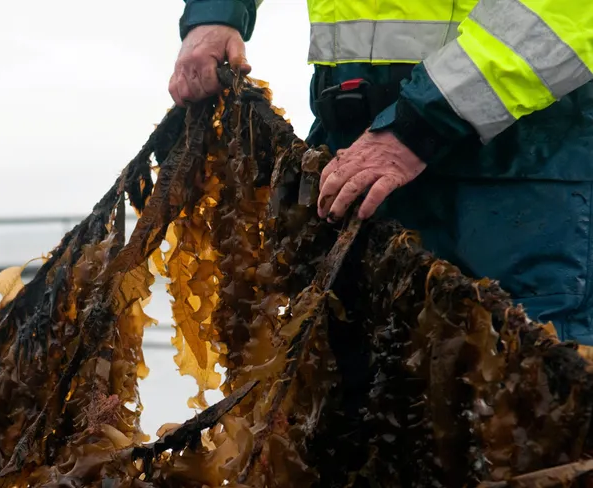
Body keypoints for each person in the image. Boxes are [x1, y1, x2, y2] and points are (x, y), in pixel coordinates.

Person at [169, 0, 593, 345]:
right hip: (352, 150)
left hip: (522, 170)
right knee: (341, 407)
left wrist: (425, 120)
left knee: (523, 400)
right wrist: (216, 12)